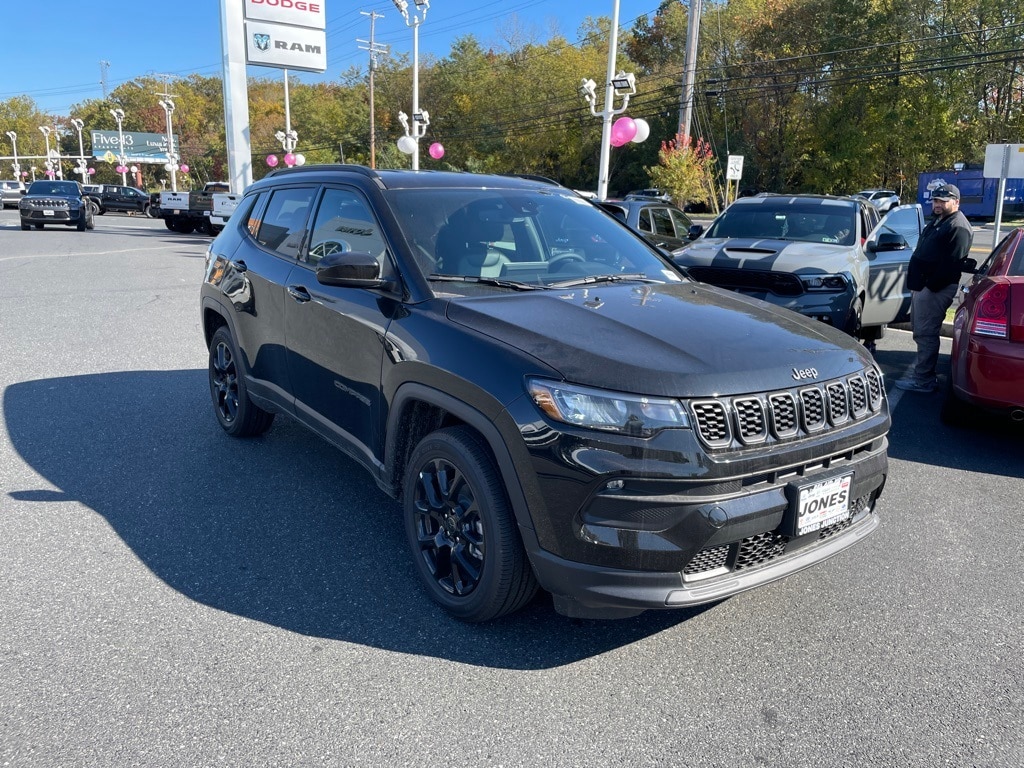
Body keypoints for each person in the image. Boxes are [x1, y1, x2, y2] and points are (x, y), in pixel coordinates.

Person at [895, 184, 973, 392]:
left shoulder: (958, 226)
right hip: (924, 287)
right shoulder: (941, 220)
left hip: (935, 289)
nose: (937, 204)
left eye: (943, 201)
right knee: (921, 332)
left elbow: (950, 265)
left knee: (926, 334)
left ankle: (924, 380)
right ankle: (922, 376)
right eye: (935, 200)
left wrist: (927, 287)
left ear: (956, 202)